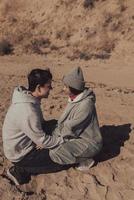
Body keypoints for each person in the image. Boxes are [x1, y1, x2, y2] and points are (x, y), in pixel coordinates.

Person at [2, 68, 64, 185]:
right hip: (21, 155)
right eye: (48, 86)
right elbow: (43, 140)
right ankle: (19, 170)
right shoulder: (27, 110)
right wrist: (61, 140)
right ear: (39, 88)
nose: (51, 88)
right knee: (61, 159)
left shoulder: (30, 99)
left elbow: (41, 125)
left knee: (55, 124)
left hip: (22, 145)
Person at [49, 67, 103, 171]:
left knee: (55, 152)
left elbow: (70, 128)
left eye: (66, 86)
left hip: (88, 143)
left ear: (73, 87)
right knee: (49, 128)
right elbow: (64, 124)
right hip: (76, 137)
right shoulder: (74, 99)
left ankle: (85, 160)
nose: (63, 89)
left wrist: (52, 140)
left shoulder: (86, 105)